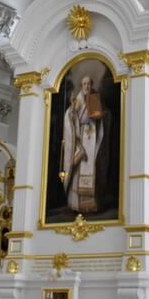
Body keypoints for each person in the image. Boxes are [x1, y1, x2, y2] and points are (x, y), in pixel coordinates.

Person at [61, 74, 110, 213]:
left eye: (89, 83)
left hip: (92, 136)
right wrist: (73, 109)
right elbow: (69, 116)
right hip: (79, 136)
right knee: (77, 169)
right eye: (84, 84)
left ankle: (89, 205)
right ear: (81, 86)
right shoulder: (77, 99)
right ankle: (75, 204)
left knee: (91, 166)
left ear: (92, 84)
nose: (87, 86)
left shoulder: (95, 98)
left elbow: (99, 117)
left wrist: (100, 116)